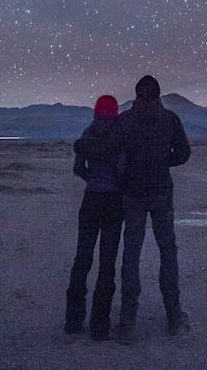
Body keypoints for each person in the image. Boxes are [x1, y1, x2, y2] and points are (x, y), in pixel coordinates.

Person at [117, 75, 191, 341]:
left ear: (136, 94)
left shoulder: (124, 121)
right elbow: (183, 153)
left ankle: (127, 322)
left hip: (133, 194)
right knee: (167, 252)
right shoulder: (170, 119)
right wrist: (162, 163)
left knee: (131, 254)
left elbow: (115, 153)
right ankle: (173, 316)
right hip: (161, 192)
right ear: (159, 95)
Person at [65, 94, 124, 340]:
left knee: (82, 258)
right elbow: (122, 170)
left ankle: (73, 320)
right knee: (107, 264)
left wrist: (91, 178)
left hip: (90, 200)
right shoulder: (120, 135)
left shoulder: (87, 134)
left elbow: (78, 168)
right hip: (113, 201)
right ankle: (100, 326)